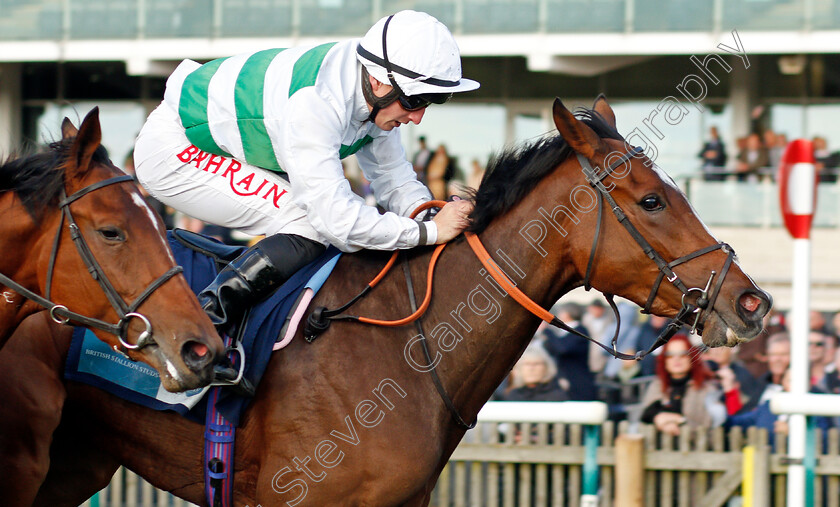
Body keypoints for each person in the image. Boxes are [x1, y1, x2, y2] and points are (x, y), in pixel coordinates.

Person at [133, 10, 479, 335]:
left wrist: (432, 213)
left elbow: (394, 178)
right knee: (307, 225)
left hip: (227, 145)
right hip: (176, 148)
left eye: (427, 103)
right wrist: (429, 232)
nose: (417, 117)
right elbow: (339, 222)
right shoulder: (316, 103)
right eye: (414, 102)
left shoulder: (375, 88)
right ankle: (200, 330)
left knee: (314, 226)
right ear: (377, 82)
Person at [639, 334, 726, 435]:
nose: (676, 359)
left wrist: (679, 420)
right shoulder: (657, 385)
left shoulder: (707, 387)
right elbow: (646, 415)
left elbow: (710, 423)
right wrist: (658, 418)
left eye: (683, 354)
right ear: (664, 360)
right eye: (670, 355)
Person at [541, 303, 598, 401]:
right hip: (566, 379)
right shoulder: (565, 333)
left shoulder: (580, 330)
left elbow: (563, 348)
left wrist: (547, 331)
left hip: (579, 381)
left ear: (567, 314)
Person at [504, 344, 569, 402]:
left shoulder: (557, 395)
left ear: (547, 367)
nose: (531, 368)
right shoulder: (513, 395)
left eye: (536, 364)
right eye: (527, 364)